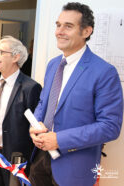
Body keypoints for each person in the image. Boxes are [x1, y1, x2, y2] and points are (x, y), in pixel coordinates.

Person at [29, 2, 123, 186]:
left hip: (73, 169)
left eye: (68, 26)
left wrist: (59, 140)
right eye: (58, 25)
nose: (59, 31)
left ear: (86, 31)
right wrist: (35, 125)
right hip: (39, 161)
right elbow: (43, 103)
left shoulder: (104, 72)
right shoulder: (53, 64)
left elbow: (110, 126)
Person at [0, 36, 42, 186]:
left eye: (1, 52)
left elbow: (35, 127)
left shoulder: (30, 88)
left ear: (16, 57)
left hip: (15, 157)